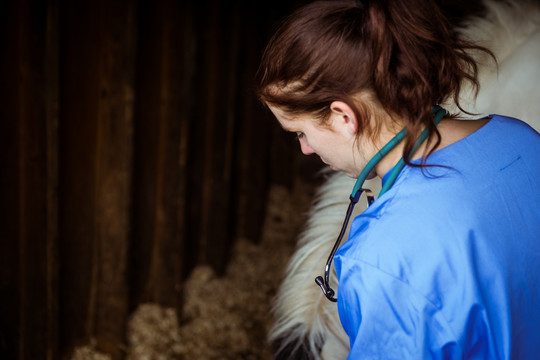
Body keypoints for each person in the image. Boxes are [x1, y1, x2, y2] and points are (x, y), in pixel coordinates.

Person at [256, 0, 540, 359]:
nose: (306, 149)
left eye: (300, 133)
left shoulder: (380, 262)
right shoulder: (522, 139)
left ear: (344, 116)